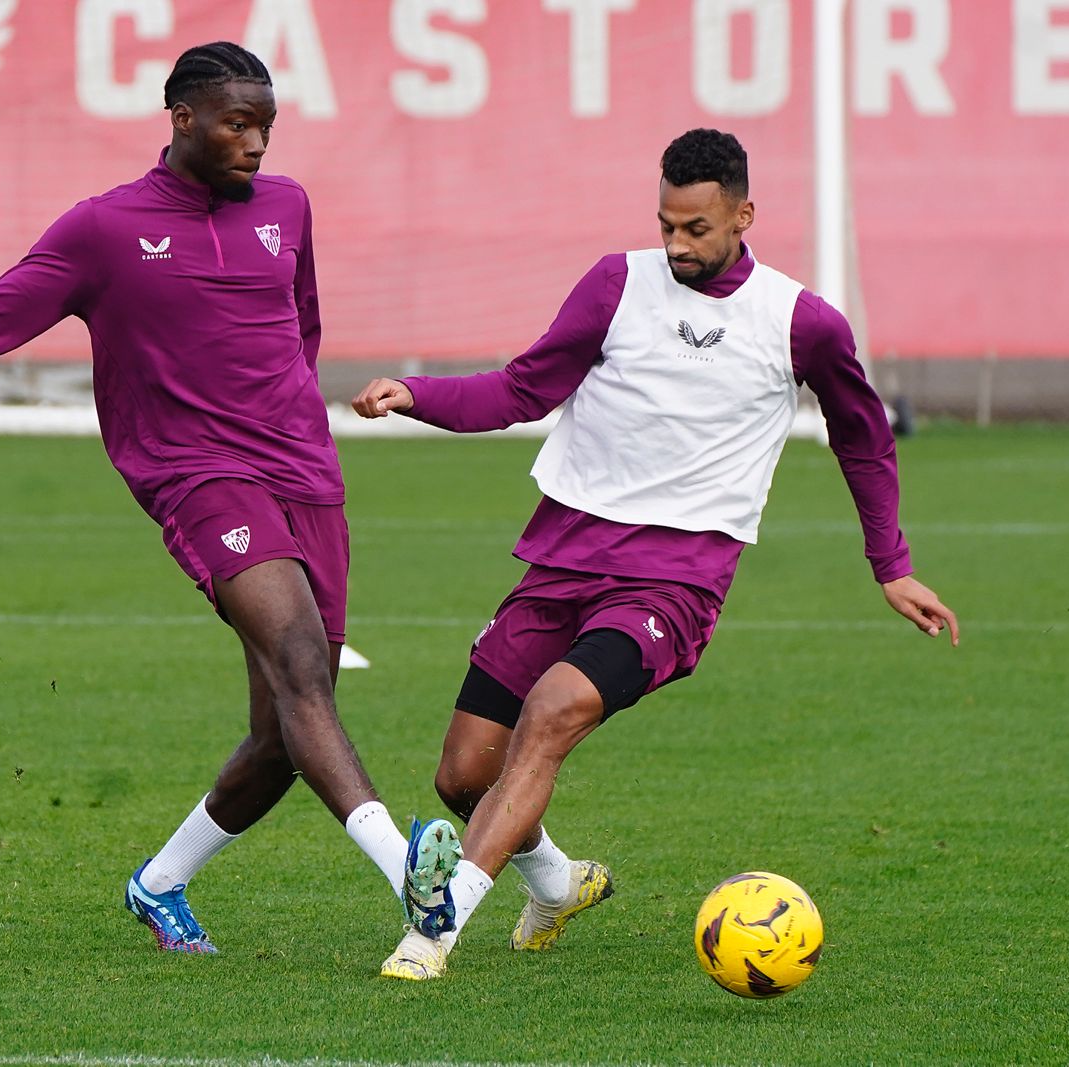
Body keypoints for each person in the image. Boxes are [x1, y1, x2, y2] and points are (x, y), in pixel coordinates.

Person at [0, 42, 460, 953]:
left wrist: (288, 414)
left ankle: (159, 884)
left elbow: (299, 325)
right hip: (197, 476)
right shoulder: (103, 229)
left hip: (306, 473)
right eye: (237, 122)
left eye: (266, 123)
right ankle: (411, 869)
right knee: (305, 664)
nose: (257, 142)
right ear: (181, 118)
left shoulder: (289, 207)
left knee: (282, 736)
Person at [353, 128, 959, 980]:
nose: (677, 245)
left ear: (744, 215)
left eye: (697, 229)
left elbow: (862, 439)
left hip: (674, 581)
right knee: (462, 776)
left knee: (553, 712)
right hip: (563, 557)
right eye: (668, 225)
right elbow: (524, 386)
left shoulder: (802, 323)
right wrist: (417, 394)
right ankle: (558, 884)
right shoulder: (617, 283)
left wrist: (890, 565)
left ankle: (435, 931)